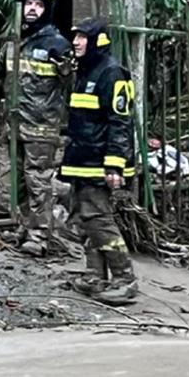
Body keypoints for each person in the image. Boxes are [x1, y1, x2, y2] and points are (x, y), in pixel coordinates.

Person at [60, 17, 137, 305]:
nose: (76, 42)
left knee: (99, 220)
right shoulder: (87, 70)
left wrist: (115, 164)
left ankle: (124, 279)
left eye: (82, 37)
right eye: (75, 36)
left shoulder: (111, 73)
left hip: (99, 162)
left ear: (98, 41)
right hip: (83, 159)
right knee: (83, 218)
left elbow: (120, 122)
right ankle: (96, 275)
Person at [0, 0, 73, 256]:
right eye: (28, 4)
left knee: (38, 182)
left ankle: (39, 236)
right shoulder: (15, 41)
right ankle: (23, 226)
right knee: (14, 181)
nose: (31, 9)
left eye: (38, 5)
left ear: (47, 9)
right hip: (14, 124)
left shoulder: (57, 44)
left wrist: (65, 68)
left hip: (41, 126)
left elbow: (69, 83)